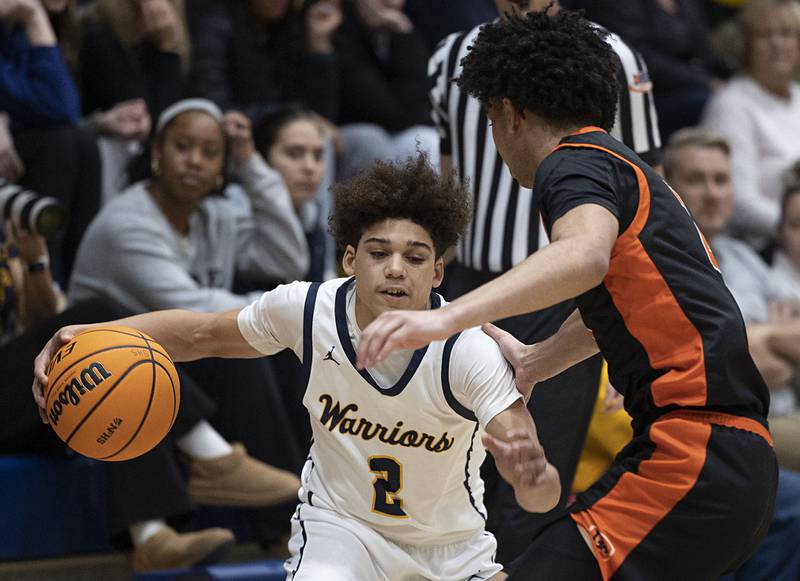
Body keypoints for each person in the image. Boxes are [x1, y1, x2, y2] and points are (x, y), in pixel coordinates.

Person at [358, 10, 777, 580]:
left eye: (490, 120)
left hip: (694, 454)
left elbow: (583, 257)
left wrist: (443, 318)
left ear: (511, 114)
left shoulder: (572, 163)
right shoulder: (626, 170)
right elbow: (624, 302)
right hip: (731, 463)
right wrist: (539, 360)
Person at [34, 153, 561, 580]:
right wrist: (98, 334)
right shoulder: (307, 311)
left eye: (416, 257)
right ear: (350, 259)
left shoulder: (469, 350)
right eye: (379, 253)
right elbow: (200, 333)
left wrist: (532, 477)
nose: (396, 269)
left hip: (452, 551)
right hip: (342, 530)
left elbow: (541, 495)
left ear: (438, 271)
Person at [428, 0, 662, 561]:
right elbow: (448, 180)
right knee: (449, 469)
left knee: (529, 479)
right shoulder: (449, 56)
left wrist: (622, 337)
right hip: (468, 282)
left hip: (565, 297)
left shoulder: (612, 55)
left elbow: (643, 184)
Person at [662, 126, 800, 581]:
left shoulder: (742, 255)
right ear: (668, 186)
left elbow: (769, 355)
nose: (713, 193)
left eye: (721, 180)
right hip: (713, 431)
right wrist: (771, 338)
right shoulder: (664, 261)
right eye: (697, 180)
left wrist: (762, 342)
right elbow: (718, 366)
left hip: (768, 417)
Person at [702, 0, 800, 245]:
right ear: (746, 45)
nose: (777, 43)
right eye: (764, 35)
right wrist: (793, 227)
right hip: (759, 246)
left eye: (786, 33)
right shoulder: (732, 103)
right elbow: (739, 203)